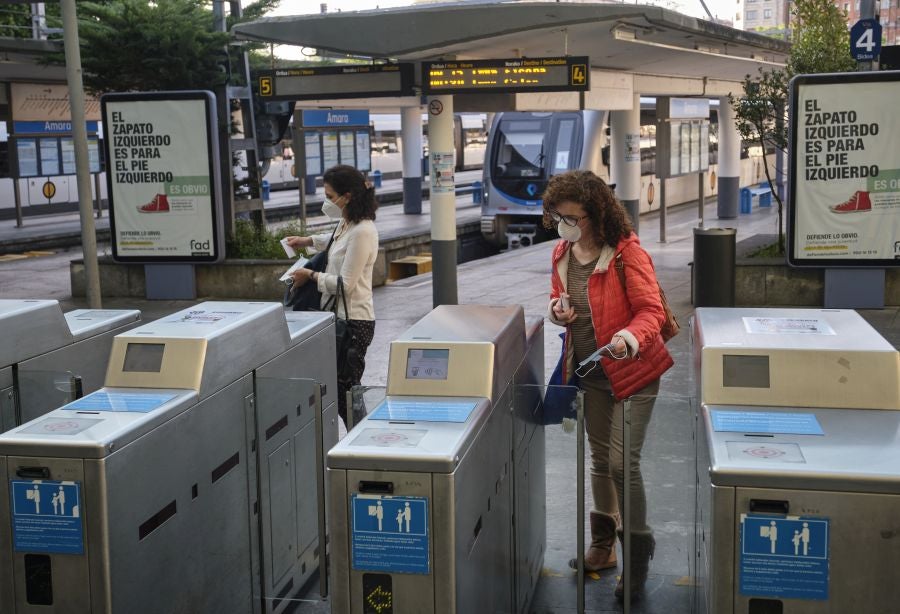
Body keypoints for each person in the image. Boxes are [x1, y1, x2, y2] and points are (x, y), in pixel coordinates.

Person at [544, 170, 673, 602]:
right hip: (591, 373)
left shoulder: (625, 253)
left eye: (573, 216)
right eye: (559, 215)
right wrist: (557, 311)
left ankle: (637, 554)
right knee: (600, 461)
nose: (564, 223)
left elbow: (651, 310)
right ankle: (603, 547)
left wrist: (629, 337)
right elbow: (558, 296)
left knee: (622, 463)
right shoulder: (563, 252)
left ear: (596, 214)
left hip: (634, 371)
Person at [284, 165, 378, 428]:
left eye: (329, 196)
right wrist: (306, 241)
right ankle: (360, 441)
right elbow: (335, 241)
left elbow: (345, 285)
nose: (326, 201)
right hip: (337, 318)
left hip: (354, 323)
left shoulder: (363, 231)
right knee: (340, 392)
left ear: (346, 196)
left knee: (347, 393)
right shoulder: (347, 223)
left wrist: (310, 277)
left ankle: (363, 443)